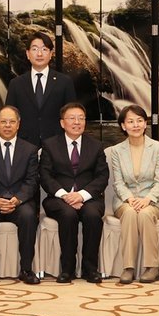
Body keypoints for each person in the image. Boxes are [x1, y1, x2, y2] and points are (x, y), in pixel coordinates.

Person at [40, 103, 108, 284]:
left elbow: (102, 177)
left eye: (81, 118)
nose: (77, 122)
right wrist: (65, 196)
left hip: (89, 198)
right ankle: (67, 269)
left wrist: (82, 195)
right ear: (62, 123)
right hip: (58, 198)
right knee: (68, 214)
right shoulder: (50, 145)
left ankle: (90, 269)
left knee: (92, 215)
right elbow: (45, 176)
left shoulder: (96, 146)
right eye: (72, 118)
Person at [0, 106, 40, 285]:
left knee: (28, 215)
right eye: (3, 121)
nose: (7, 125)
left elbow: (32, 180)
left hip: (19, 200)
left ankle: (26, 269)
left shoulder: (30, 149)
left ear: (18, 124)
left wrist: (17, 199)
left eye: (12, 122)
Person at [105, 105, 159, 284]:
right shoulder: (117, 151)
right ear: (123, 126)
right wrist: (130, 199)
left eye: (139, 121)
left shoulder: (158, 148)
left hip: (153, 201)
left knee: (146, 214)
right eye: (130, 121)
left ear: (145, 124)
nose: (136, 125)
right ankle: (128, 267)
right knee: (131, 213)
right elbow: (118, 182)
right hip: (126, 200)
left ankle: (152, 266)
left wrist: (147, 199)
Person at [5, 32, 76, 148]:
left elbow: (72, 115)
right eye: (34, 49)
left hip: (57, 144)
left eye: (44, 49)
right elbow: (8, 115)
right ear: (27, 54)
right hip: (24, 145)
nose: (39, 54)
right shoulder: (16, 84)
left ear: (51, 54)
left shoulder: (64, 82)